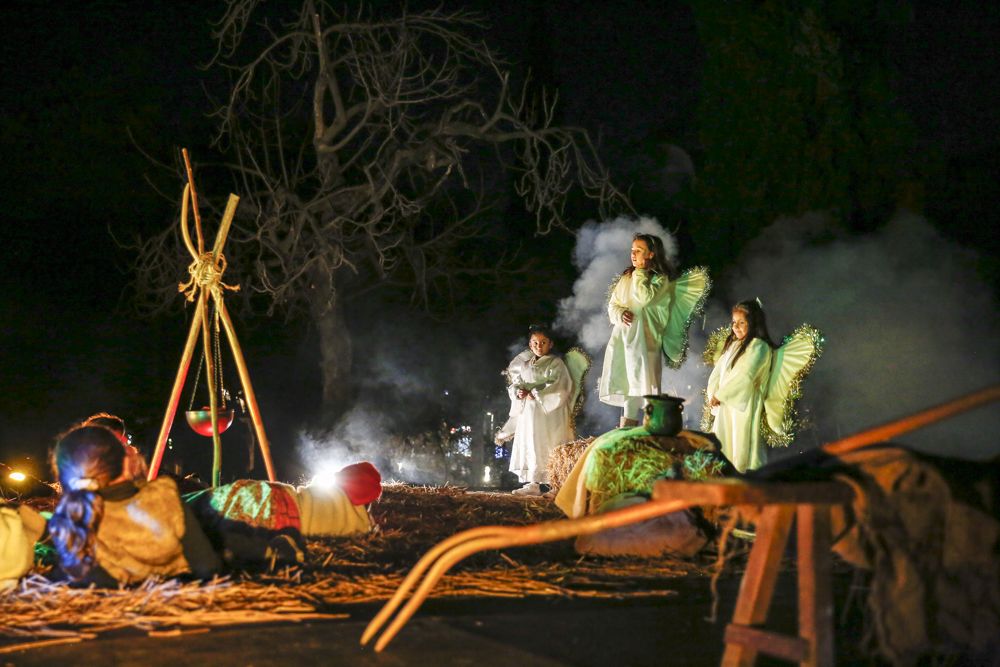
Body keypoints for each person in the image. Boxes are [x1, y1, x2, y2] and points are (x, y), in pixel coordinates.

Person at [47, 424, 221, 586]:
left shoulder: (68, 519)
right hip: (172, 605)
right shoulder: (163, 497)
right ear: (126, 463)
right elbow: (208, 567)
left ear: (65, 475)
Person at [598, 233, 676, 426]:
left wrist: (640, 274)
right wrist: (620, 314)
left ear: (651, 254)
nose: (633, 255)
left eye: (638, 251)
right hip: (624, 340)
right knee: (629, 385)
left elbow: (644, 298)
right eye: (632, 251)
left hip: (645, 342)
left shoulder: (659, 280)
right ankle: (626, 432)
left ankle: (653, 432)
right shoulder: (626, 278)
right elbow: (613, 305)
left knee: (646, 385)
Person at [705, 300, 777, 473]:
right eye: (734, 323)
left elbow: (746, 376)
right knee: (723, 446)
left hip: (742, 406)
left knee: (740, 446)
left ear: (752, 323)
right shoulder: (733, 346)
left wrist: (722, 395)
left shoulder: (759, 347)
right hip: (725, 406)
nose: (736, 327)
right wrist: (713, 394)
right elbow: (717, 373)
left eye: (742, 322)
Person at [504, 325, 574, 496]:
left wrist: (535, 392)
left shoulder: (556, 363)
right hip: (529, 415)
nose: (539, 346)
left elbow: (561, 386)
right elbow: (517, 383)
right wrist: (518, 392)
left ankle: (555, 484)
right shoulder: (526, 365)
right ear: (530, 345)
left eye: (543, 342)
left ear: (550, 344)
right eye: (535, 342)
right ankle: (533, 483)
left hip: (549, 414)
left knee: (551, 444)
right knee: (531, 444)